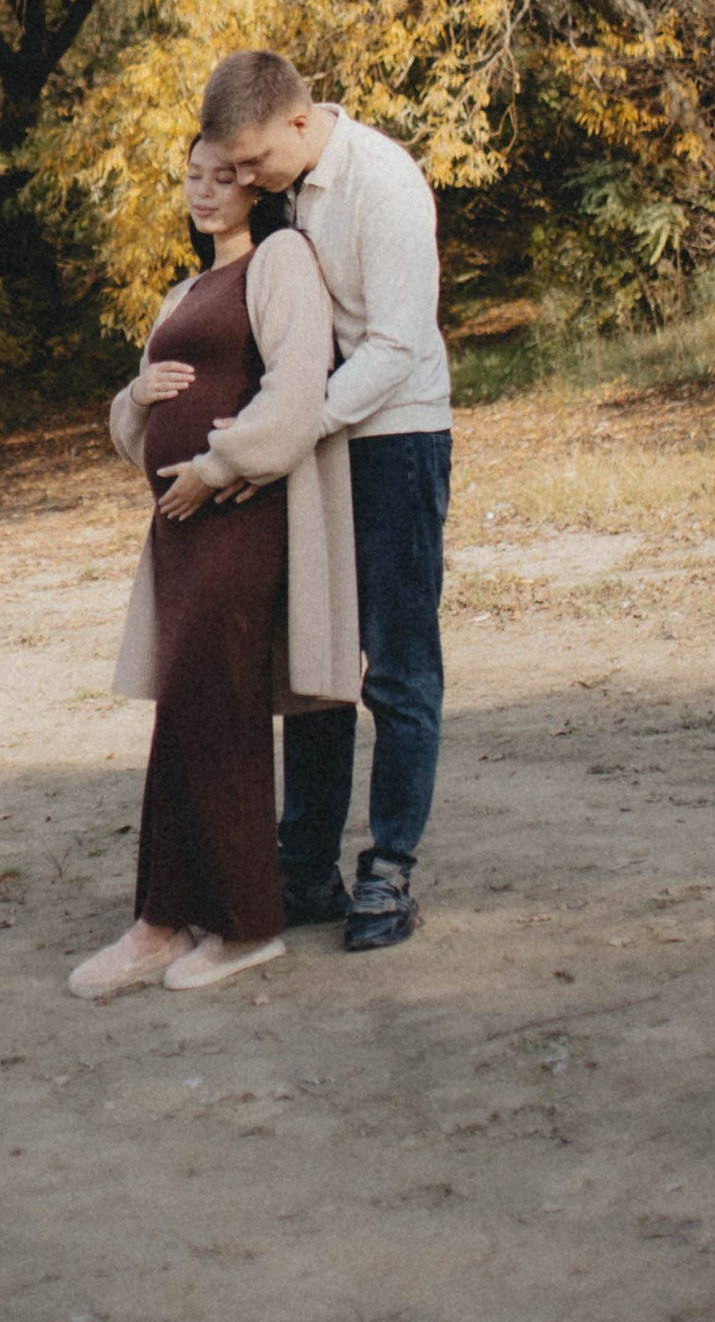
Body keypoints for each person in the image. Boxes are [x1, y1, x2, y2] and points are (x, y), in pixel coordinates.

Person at [66, 142, 359, 999]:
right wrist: (138, 397)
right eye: (193, 175)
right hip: (178, 524)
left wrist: (218, 466)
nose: (204, 190)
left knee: (217, 704)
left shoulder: (279, 262)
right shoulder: (182, 292)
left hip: (239, 512)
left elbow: (299, 393)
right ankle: (161, 919)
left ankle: (244, 925)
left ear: (256, 185)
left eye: (223, 176)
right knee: (186, 703)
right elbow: (130, 432)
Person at [201, 49, 452, 952]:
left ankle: (389, 872)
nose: (247, 179)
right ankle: (303, 866)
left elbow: (396, 345)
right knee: (316, 659)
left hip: (394, 437)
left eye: (255, 162)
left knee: (396, 661)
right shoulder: (283, 187)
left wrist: (295, 427)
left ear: (300, 126)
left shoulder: (382, 183)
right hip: (320, 442)